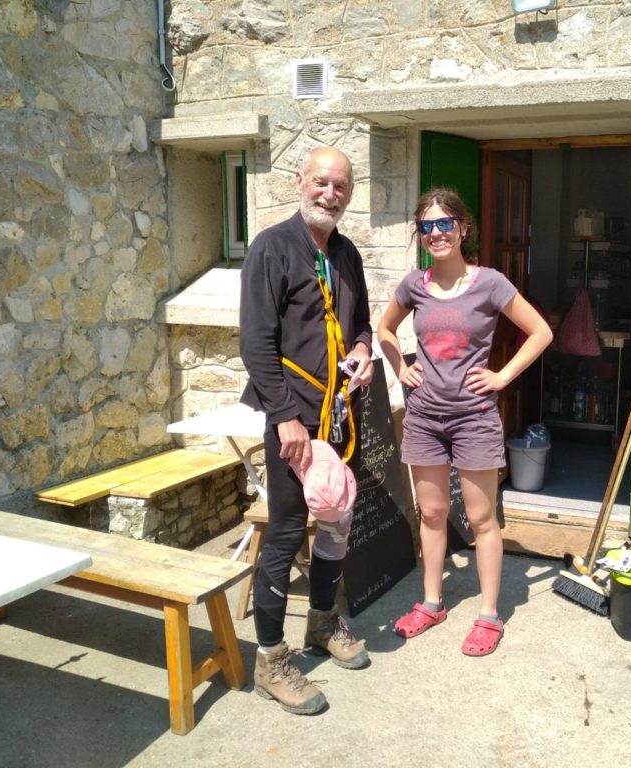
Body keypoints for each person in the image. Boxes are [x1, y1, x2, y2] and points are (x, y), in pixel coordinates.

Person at [376, 187, 553, 656]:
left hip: (473, 418)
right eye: (427, 226)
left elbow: (541, 331)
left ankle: (489, 615)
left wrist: (502, 376)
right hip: (425, 416)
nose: (436, 233)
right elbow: (384, 329)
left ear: (463, 229)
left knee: (480, 518)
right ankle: (432, 602)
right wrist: (400, 366)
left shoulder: (490, 283)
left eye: (444, 224)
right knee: (432, 514)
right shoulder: (414, 285)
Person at [239, 146, 374, 715]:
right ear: (301, 182)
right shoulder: (271, 247)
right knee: (290, 530)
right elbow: (256, 342)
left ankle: (322, 622)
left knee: (338, 521)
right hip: (292, 420)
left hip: (339, 415)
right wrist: (284, 416)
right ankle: (271, 660)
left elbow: (360, 321)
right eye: (322, 182)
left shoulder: (346, 254)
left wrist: (365, 348)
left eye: (341, 186)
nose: (331, 194)